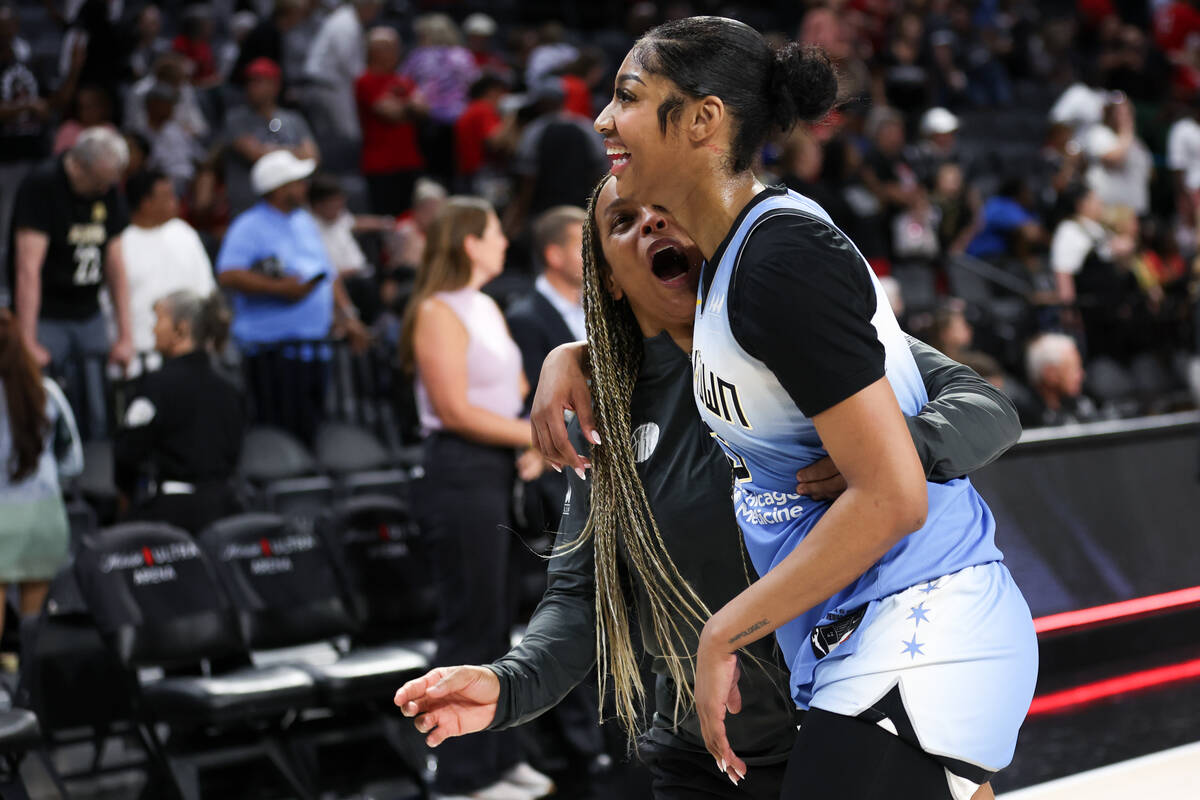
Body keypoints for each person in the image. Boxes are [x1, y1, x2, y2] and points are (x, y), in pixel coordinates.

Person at [394, 176, 1023, 800]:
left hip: (862, 711)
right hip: (704, 753)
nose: (651, 223)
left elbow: (986, 406)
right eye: (622, 221)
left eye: (666, 206)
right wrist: (508, 686)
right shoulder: (605, 408)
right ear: (608, 277)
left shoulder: (804, 330)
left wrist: (897, 451)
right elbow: (581, 594)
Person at [551, 19, 1031, 799]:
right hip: (863, 640)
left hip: (921, 628)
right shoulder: (736, 259)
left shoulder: (781, 259)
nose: (604, 119)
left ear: (704, 119)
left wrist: (722, 632)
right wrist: (569, 358)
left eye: (628, 96)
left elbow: (894, 495)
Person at [397, 197, 551, 800]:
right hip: (457, 475)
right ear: (468, 242)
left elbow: (513, 391)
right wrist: (535, 434)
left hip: (496, 472)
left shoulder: (486, 305)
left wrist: (533, 442)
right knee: (467, 624)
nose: (504, 243)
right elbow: (456, 410)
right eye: (493, 233)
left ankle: (499, 756)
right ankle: (459, 774)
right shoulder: (435, 310)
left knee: (500, 623)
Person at [215, 150, 364, 442]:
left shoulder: (304, 221)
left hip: (314, 346)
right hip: (272, 351)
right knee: (279, 434)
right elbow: (229, 273)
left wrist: (348, 316)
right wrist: (281, 289)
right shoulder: (249, 226)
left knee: (313, 428)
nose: (305, 187)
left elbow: (327, 273)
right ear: (279, 188)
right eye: (297, 182)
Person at [9, 127, 134, 438]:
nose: (105, 188)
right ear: (79, 165)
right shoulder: (42, 185)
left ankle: (97, 479)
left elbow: (116, 266)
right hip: (47, 314)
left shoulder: (107, 189)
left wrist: (125, 335)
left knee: (99, 410)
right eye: (100, 181)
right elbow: (27, 268)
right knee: (46, 409)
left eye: (110, 182)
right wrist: (27, 339)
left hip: (89, 311)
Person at [114, 290, 244, 534]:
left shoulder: (155, 387)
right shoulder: (229, 388)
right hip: (227, 514)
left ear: (180, 330)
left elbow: (127, 454)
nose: (153, 330)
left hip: (172, 520)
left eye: (158, 321)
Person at [0, 309, 81, 642]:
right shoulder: (47, 393)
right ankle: (32, 690)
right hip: (45, 519)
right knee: (35, 628)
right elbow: (73, 462)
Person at [119, 169, 216, 370]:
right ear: (146, 203)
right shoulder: (121, 243)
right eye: (167, 196)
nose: (175, 201)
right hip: (140, 357)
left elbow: (206, 288)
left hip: (190, 353)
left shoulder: (184, 233)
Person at [505, 206, 587, 400]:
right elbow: (539, 396)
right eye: (584, 246)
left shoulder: (604, 307)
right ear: (555, 256)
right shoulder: (524, 319)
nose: (594, 255)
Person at [222, 56, 319, 215]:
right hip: (249, 206)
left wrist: (271, 150)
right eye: (250, 82)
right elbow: (256, 154)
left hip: (289, 205)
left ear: (275, 85)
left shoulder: (293, 119)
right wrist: (294, 152)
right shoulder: (235, 119)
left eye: (258, 81)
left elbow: (312, 157)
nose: (251, 87)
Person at [356, 26, 427, 216]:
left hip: (409, 160)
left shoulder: (404, 80)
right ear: (373, 51)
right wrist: (408, 106)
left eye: (396, 47)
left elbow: (423, 109)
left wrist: (403, 107)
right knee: (385, 219)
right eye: (389, 47)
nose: (396, 52)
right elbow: (388, 113)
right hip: (380, 164)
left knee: (409, 218)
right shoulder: (365, 81)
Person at [303, 0, 383, 147]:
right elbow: (349, 63)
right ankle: (345, 169)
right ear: (367, 6)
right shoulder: (345, 24)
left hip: (328, 84)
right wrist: (371, 85)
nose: (375, 14)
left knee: (331, 136)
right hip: (327, 86)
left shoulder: (348, 19)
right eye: (375, 9)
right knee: (346, 134)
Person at [1022, 333, 1100, 428]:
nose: (1082, 376)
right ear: (1051, 374)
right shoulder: (1024, 418)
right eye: (1074, 369)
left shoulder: (1083, 407)